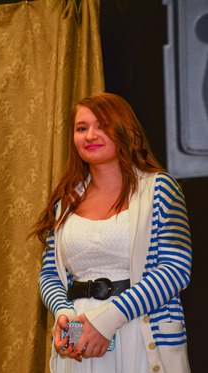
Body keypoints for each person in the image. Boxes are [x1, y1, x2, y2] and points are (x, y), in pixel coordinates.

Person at [32, 92, 192, 372]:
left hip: (141, 333)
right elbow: (49, 274)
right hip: (80, 335)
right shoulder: (65, 202)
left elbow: (176, 269)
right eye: (81, 128)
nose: (90, 135)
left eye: (102, 125)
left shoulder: (159, 189)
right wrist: (66, 317)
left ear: (126, 130)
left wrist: (106, 321)